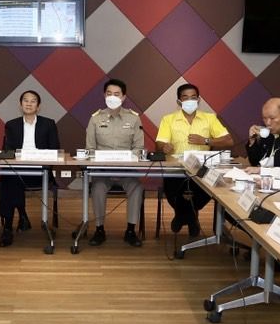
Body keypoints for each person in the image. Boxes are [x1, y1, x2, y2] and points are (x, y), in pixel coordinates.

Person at [156, 83, 234, 238]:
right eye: (185, 98)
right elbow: (159, 143)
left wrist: (205, 141)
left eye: (193, 97)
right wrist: (164, 147)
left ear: (198, 100)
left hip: (202, 170)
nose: (190, 100)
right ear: (179, 101)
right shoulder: (168, 119)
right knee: (174, 190)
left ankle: (182, 217)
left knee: (206, 190)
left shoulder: (210, 118)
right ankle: (191, 218)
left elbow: (229, 141)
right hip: (176, 169)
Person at [85, 77, 145, 247]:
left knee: (136, 188)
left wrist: (126, 160)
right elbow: (90, 149)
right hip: (102, 172)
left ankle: (131, 231)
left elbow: (139, 148)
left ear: (123, 97)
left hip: (127, 171)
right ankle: (99, 230)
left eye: (116, 94)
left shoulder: (134, 118)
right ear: (104, 95)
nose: (112, 96)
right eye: (109, 93)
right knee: (97, 188)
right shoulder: (95, 118)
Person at [0, 89, 61, 246]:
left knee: (11, 181)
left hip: (40, 171)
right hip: (18, 169)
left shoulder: (48, 124)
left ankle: (21, 217)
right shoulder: (11, 125)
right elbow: (8, 151)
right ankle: (8, 227)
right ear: (20, 105)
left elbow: (55, 149)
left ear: (38, 106)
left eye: (33, 101)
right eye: (26, 100)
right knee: (9, 180)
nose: (29, 104)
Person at [246, 97, 280, 169]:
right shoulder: (268, 134)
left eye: (272, 118)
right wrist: (252, 141)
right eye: (264, 118)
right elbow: (254, 162)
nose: (268, 123)